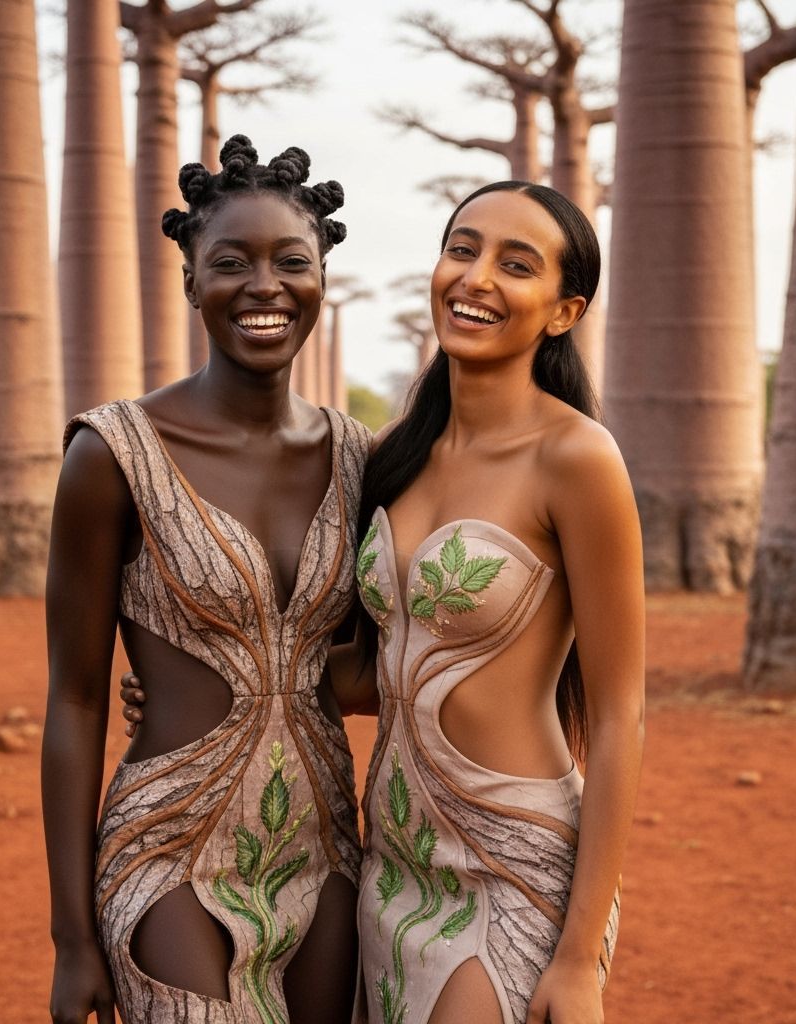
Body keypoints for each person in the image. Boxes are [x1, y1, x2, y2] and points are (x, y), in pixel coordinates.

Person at [124, 180, 645, 1024]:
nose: (475, 279)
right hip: (389, 862)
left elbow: (621, 713)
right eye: (462, 249)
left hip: (513, 863)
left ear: (563, 310)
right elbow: (374, 671)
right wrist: (205, 682)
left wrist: (580, 955)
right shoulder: (394, 457)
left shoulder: (577, 458)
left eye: (516, 265)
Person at [42, 135, 370, 1024]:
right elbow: (74, 699)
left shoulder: (360, 460)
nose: (264, 285)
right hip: (168, 845)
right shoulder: (112, 455)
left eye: (290, 261)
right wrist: (72, 940)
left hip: (329, 849)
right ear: (192, 281)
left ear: (321, 281)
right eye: (231, 262)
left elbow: (384, 659)